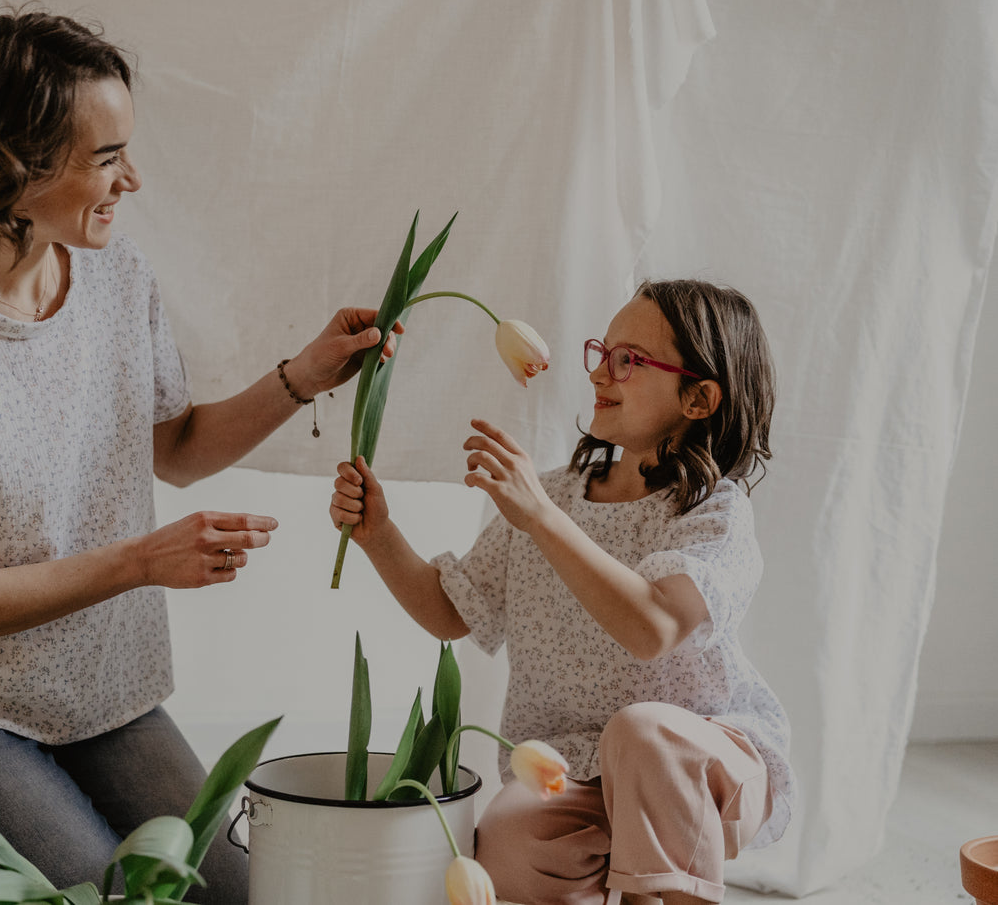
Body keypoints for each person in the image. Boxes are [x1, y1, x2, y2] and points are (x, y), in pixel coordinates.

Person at [0, 7, 394, 905]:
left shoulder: (116, 277)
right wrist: (139, 561)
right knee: (98, 898)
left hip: (98, 694)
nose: (133, 176)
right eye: (105, 157)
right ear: (13, 166)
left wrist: (305, 374)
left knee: (240, 898)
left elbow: (177, 449)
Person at [329, 280, 794, 905]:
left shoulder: (712, 515)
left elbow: (652, 628)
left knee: (643, 732)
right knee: (508, 837)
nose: (601, 371)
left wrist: (543, 518)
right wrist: (378, 534)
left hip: (700, 766)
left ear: (699, 397)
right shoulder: (554, 494)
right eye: (602, 352)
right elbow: (451, 611)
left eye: (628, 360)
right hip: (574, 768)